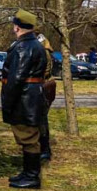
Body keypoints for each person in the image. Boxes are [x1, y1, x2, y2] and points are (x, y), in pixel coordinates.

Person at [1, 9, 48, 189]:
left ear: (17, 27)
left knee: (27, 137)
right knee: (29, 136)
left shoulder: (23, 47)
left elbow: (17, 78)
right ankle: (28, 173)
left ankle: (32, 176)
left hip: (24, 98)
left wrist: (8, 101)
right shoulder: (35, 44)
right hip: (31, 95)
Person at [37, 33, 56, 162]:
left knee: (41, 119)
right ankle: (43, 147)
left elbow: (44, 71)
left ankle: (44, 149)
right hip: (47, 85)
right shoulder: (47, 52)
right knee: (41, 118)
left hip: (44, 86)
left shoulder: (44, 53)